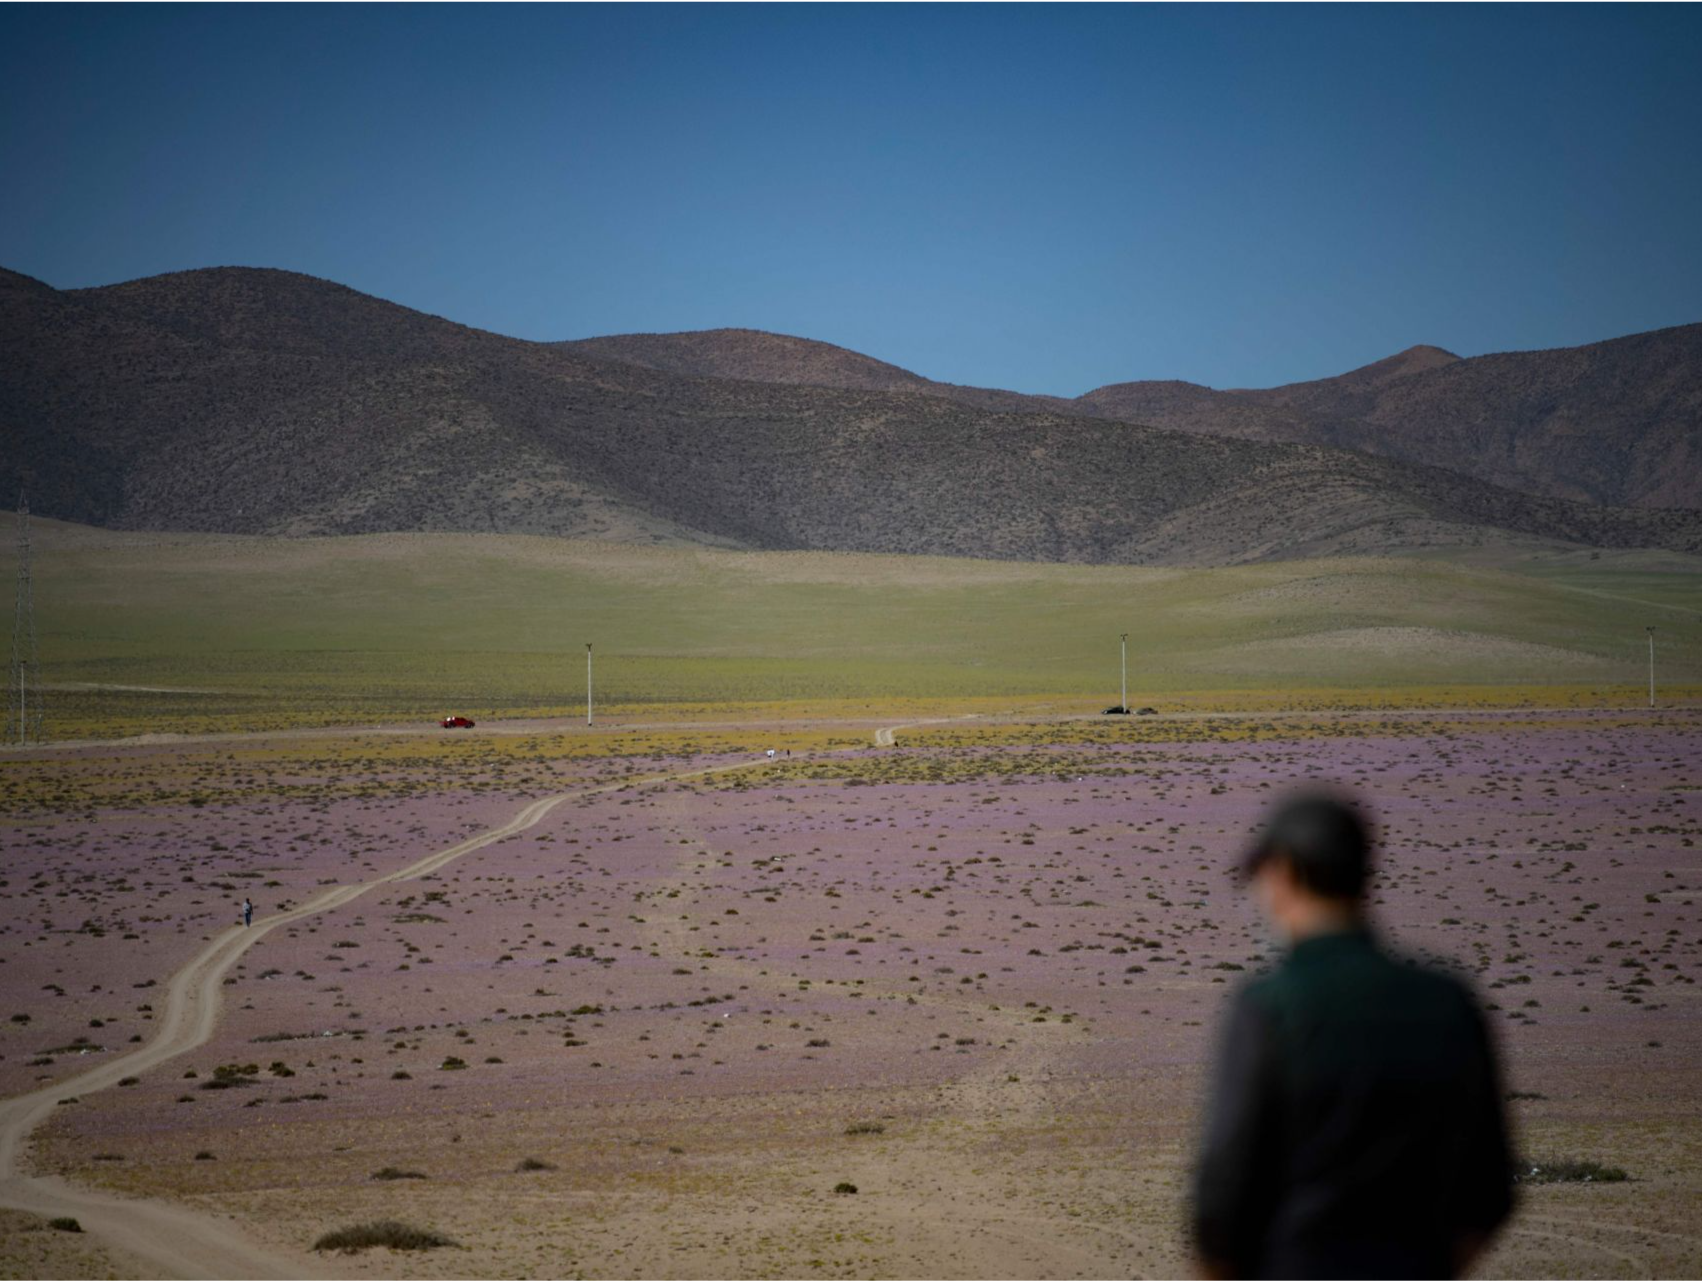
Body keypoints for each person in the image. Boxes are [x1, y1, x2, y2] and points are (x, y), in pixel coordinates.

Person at [1190, 792, 1514, 1281]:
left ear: (1283, 873)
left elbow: (1222, 1193)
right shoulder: (1448, 1002)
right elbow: (1490, 1189)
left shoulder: (1268, 1008)